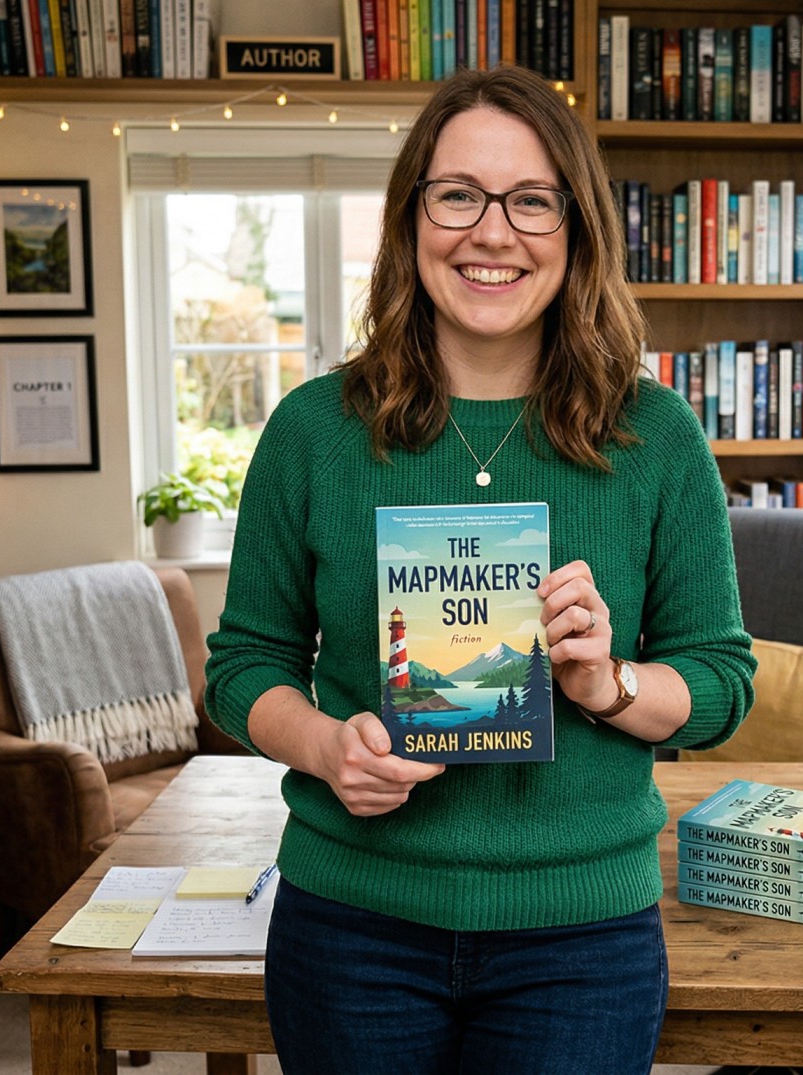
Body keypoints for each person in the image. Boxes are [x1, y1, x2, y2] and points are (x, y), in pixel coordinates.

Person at [203, 65, 757, 1075]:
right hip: (353, 924)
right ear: (411, 218)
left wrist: (608, 683)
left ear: (576, 230)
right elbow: (245, 666)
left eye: (531, 201)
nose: (491, 232)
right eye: (458, 194)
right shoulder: (313, 432)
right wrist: (329, 746)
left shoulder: (658, 436)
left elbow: (720, 682)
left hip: (581, 938)